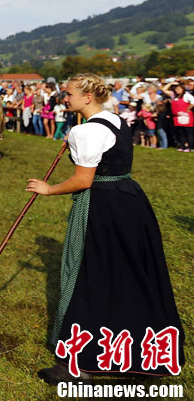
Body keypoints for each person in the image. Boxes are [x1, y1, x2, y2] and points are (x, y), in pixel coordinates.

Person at [26, 74, 185, 384]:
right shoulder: (114, 120)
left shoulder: (86, 131)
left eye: (69, 93)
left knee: (90, 275)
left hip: (101, 208)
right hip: (129, 201)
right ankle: (140, 350)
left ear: (87, 97)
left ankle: (82, 363)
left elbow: (83, 180)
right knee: (128, 273)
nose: (64, 98)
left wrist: (48, 189)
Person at [169, 83, 194, 152]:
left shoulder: (187, 96)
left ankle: (190, 147)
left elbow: (193, 101)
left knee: (188, 132)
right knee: (180, 132)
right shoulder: (176, 97)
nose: (176, 90)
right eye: (176, 89)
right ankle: (182, 146)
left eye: (178, 89)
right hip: (177, 117)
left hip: (186, 117)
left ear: (182, 89)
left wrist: (188, 108)